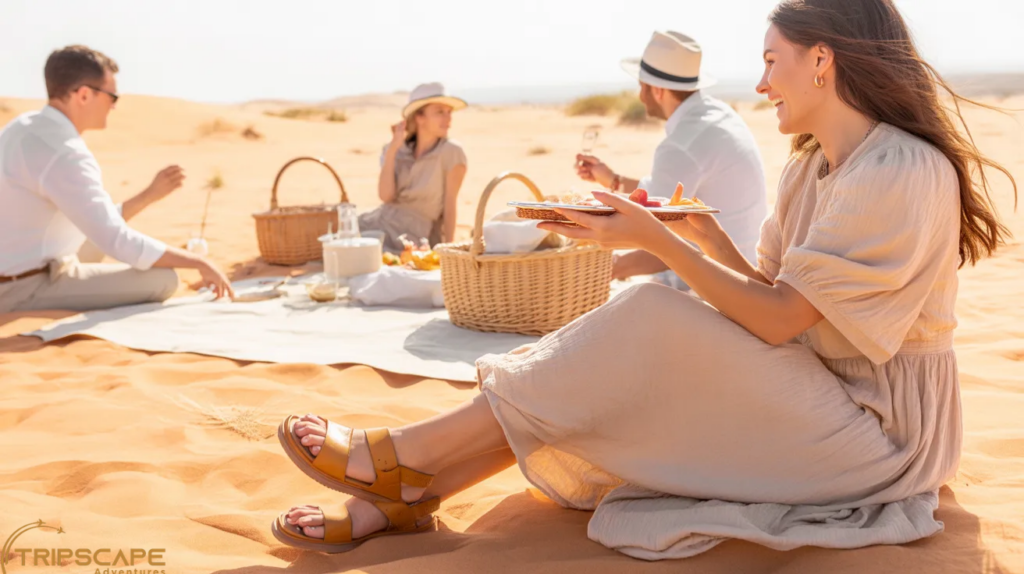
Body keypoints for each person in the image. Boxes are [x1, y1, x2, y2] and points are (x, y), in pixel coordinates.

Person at [271, 0, 1016, 559]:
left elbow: (783, 318)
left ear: (821, 61)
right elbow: (772, 291)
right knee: (640, 338)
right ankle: (414, 486)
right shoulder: (815, 165)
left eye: (771, 60)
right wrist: (703, 234)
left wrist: (658, 240)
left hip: (881, 431)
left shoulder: (901, 169)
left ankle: (406, 461)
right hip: (821, 388)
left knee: (653, 318)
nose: (761, 83)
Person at [0, 45, 233, 314]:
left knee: (99, 243)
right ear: (84, 95)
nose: (113, 106)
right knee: (163, 280)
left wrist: (150, 194)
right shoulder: (64, 152)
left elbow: (99, 223)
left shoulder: (22, 127)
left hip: (23, 264)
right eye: (112, 96)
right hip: (21, 288)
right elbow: (116, 240)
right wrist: (199, 262)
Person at [575, 31, 768, 289]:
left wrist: (597, 271)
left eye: (641, 86)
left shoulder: (681, 145)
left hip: (720, 283)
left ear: (657, 90)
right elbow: (660, 197)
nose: (639, 95)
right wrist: (612, 180)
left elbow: (652, 237)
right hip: (745, 266)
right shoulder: (719, 115)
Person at [358, 82, 468, 253]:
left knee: (358, 252)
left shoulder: (451, 151)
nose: (448, 119)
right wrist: (393, 149)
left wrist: (449, 250)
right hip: (378, 220)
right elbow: (386, 196)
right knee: (333, 237)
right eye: (440, 112)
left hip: (411, 235)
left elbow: (450, 205)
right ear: (419, 117)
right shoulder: (398, 150)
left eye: (449, 112)